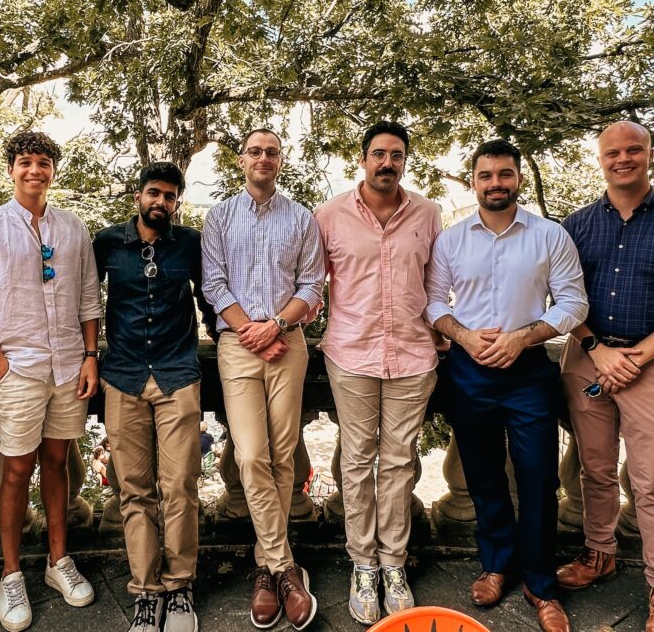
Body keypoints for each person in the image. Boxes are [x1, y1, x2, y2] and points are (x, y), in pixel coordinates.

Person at [556, 122, 654, 632]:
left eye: (633, 150)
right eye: (612, 152)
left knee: (651, 484)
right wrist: (597, 350)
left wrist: (631, 359)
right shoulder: (575, 226)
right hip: (587, 357)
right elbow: (562, 297)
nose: (622, 159)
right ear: (600, 158)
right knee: (595, 469)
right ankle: (599, 554)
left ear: (649, 153)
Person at [426, 139, 588, 632]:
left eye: (504, 174)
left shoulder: (550, 235)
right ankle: (495, 565)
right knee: (483, 475)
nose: (495, 183)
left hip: (528, 370)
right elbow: (434, 302)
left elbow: (573, 303)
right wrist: (464, 336)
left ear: (517, 178)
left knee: (538, 477)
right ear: (473, 181)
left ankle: (541, 584)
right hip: (469, 369)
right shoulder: (451, 240)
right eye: (486, 175)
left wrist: (522, 337)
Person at [0, 130, 102, 632]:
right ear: (11, 169)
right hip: (18, 369)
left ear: (53, 170)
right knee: (17, 469)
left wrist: (89, 357)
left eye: (43, 162)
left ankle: (59, 561)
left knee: (58, 461)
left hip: (68, 366)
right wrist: (1, 366)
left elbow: (89, 298)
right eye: (25, 162)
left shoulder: (73, 228)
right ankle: (12, 574)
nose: (35, 170)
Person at [313, 120, 441, 625]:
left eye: (396, 155)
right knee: (356, 460)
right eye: (379, 154)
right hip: (352, 354)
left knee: (399, 462)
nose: (387, 163)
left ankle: (394, 563)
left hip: (413, 355)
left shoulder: (428, 214)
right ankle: (363, 564)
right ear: (363, 158)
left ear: (405, 160)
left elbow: (438, 281)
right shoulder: (329, 216)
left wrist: (445, 330)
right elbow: (311, 282)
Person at [201, 129, 325, 631]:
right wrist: (251, 333)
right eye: (255, 151)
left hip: (287, 343)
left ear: (280, 161)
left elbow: (312, 284)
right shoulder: (219, 217)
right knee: (251, 455)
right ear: (241, 160)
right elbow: (213, 284)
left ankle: (264, 568)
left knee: (282, 455)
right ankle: (285, 567)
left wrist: (274, 326)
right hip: (237, 346)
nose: (263, 158)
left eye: (272, 152)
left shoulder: (301, 218)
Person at [93, 161, 218, 632]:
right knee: (134, 490)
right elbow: (85, 302)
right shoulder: (107, 243)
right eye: (153, 193)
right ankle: (146, 591)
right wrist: (87, 356)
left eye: (169, 196)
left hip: (177, 376)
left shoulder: (190, 243)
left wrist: (226, 342)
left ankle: (180, 586)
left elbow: (209, 299)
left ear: (176, 202)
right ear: (138, 197)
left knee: (180, 485)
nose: (160, 202)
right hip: (123, 376)